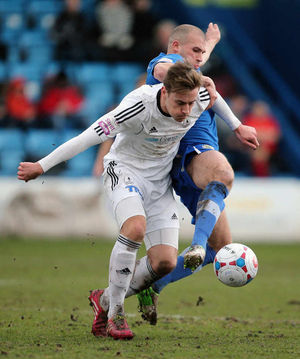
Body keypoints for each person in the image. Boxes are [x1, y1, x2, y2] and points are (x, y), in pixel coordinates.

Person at [17, 62, 214, 340]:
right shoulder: (137, 105)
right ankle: (116, 314)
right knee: (134, 228)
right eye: (180, 103)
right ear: (164, 91)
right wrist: (42, 165)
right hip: (124, 171)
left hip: (160, 184)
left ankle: (105, 299)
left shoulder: (200, 98)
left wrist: (239, 127)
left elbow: (214, 99)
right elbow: (87, 137)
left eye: (190, 103)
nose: (186, 111)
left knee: (165, 263)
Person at [132, 24, 259, 325]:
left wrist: (210, 43)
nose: (202, 57)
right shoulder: (163, 64)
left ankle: (151, 286)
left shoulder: (190, 66)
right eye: (196, 51)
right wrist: (238, 125)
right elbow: (167, 69)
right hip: (193, 153)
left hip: (194, 162)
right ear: (175, 46)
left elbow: (190, 64)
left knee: (221, 248)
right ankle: (197, 244)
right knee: (224, 173)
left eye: (203, 52)